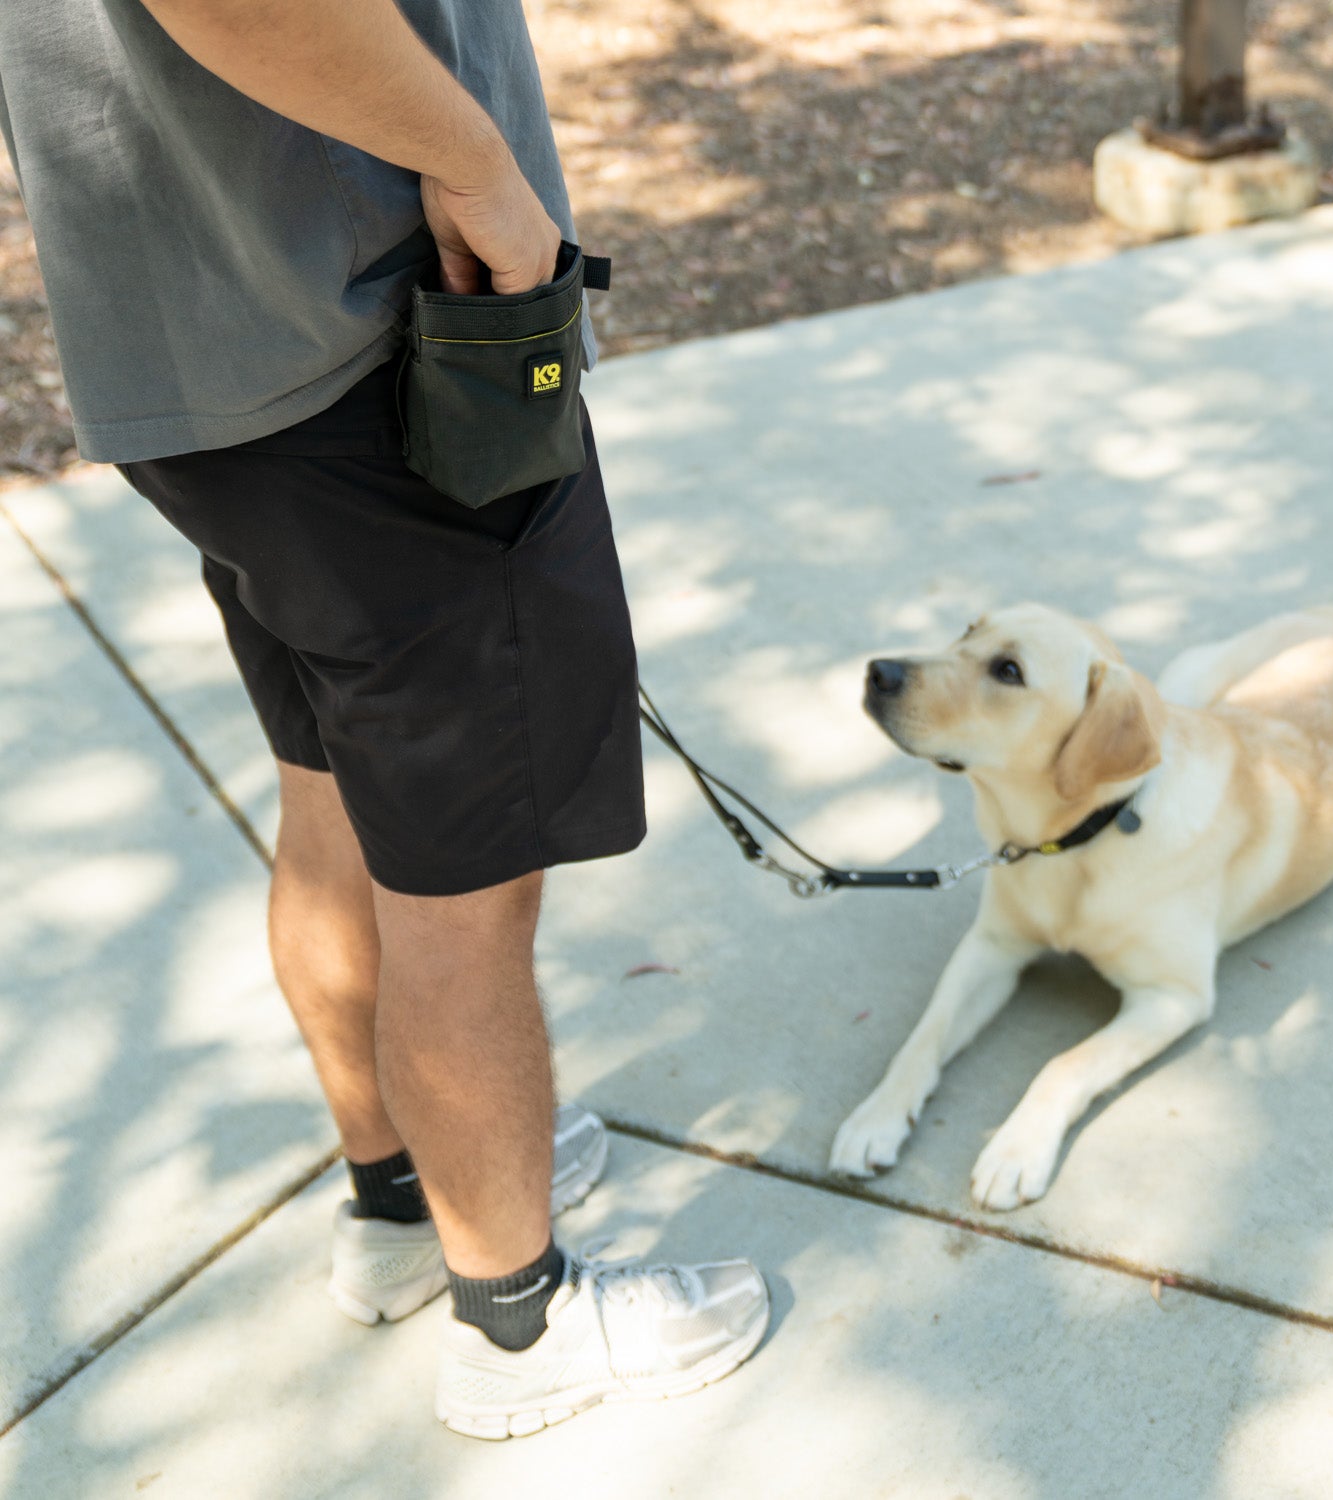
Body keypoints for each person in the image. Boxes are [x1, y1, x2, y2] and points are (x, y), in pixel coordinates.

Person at [0, 0, 768, 1441]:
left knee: (333, 789)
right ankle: (520, 1326)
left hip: (205, 353)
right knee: (465, 892)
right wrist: (475, 158)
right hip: (376, 336)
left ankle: (405, 1199)